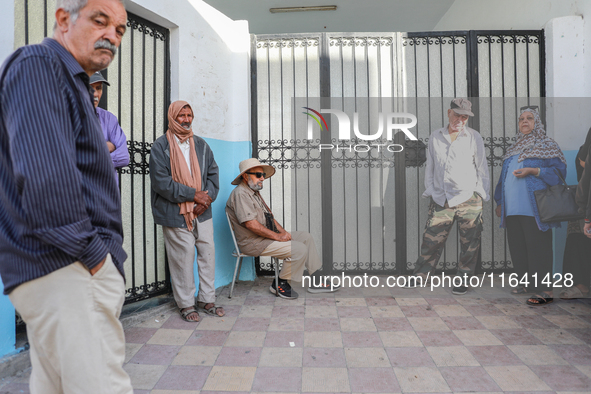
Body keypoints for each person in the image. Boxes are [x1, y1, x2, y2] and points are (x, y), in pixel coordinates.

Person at [0, 0, 133, 393]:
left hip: (59, 269)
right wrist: (96, 258)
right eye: (100, 20)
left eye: (120, 29)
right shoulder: (41, 65)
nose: (112, 35)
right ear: (63, 19)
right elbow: (46, 179)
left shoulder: (70, 80)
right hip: (66, 268)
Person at [405, 98, 490, 295]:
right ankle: (421, 276)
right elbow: (431, 167)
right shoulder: (436, 136)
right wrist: (431, 190)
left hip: (469, 198)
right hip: (441, 198)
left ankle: (463, 279)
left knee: (470, 243)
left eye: (464, 116)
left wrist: (480, 194)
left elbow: (482, 168)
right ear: (448, 113)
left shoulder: (473, 137)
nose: (460, 119)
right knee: (431, 240)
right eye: (457, 114)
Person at [149, 100, 222, 322]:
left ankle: (207, 299)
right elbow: (161, 182)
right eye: (182, 115)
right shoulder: (160, 147)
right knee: (183, 257)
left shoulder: (201, 145)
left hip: (202, 211)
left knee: (207, 254)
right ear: (173, 117)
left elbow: (213, 174)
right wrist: (193, 195)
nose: (186, 119)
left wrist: (205, 199)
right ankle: (186, 304)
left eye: (189, 115)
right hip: (175, 211)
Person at [226, 158, 339, 299]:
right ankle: (280, 283)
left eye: (263, 175)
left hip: (264, 238)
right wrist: (278, 237)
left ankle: (316, 280)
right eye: (258, 175)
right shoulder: (240, 194)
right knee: (298, 249)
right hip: (252, 243)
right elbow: (251, 224)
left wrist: (283, 232)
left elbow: (269, 218)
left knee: (305, 237)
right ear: (245, 176)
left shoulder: (253, 193)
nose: (262, 178)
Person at [494, 106, 567, 305]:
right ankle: (525, 283)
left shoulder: (547, 145)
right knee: (518, 247)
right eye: (521, 119)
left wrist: (535, 171)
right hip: (513, 209)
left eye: (529, 118)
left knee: (538, 248)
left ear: (537, 123)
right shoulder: (513, 149)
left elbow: (559, 174)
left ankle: (545, 290)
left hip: (535, 209)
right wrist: (500, 201)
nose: (524, 122)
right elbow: (503, 178)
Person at [562, 128, 591, 299]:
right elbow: (583, 163)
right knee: (577, 242)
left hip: (585, 205)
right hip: (585, 205)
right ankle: (580, 286)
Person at [89, 70, 129, 180]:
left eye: (99, 88)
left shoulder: (109, 118)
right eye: (90, 88)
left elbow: (124, 157)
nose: (96, 94)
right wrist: (106, 146)